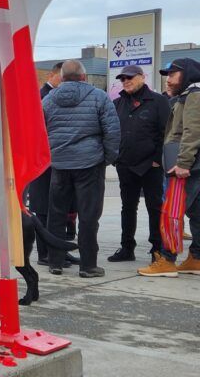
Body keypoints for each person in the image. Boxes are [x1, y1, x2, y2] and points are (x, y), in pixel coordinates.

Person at [43, 60, 120, 278]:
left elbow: (40, 131)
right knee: (88, 215)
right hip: (89, 163)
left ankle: (55, 262)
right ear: (84, 77)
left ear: (62, 77)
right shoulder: (99, 97)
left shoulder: (48, 100)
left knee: (56, 214)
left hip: (59, 164)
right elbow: (112, 131)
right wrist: (106, 158)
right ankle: (88, 266)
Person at [139, 58, 200, 277]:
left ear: (187, 74)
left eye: (173, 74)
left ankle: (167, 259)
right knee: (196, 213)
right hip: (193, 165)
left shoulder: (193, 95)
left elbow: (192, 131)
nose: (169, 79)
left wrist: (183, 163)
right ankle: (196, 258)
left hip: (187, 166)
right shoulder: (189, 95)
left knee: (172, 213)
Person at [108, 65, 169, 263]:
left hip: (151, 166)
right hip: (125, 165)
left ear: (142, 77)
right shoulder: (117, 104)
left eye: (130, 77)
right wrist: (115, 157)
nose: (126, 81)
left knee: (155, 207)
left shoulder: (159, 101)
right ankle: (127, 248)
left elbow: (166, 134)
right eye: (123, 78)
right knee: (128, 207)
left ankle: (157, 249)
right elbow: (111, 133)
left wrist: (157, 160)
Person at [29, 62, 79, 267]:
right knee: (42, 208)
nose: (65, 81)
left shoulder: (58, 97)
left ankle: (58, 251)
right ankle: (44, 253)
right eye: (62, 76)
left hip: (56, 160)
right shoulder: (42, 97)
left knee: (57, 209)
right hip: (42, 161)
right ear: (53, 75)